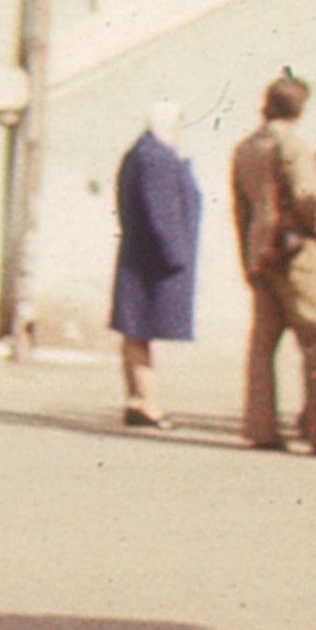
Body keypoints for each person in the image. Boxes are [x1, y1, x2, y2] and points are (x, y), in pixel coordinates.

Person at [230, 72, 316, 454]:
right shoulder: (293, 146)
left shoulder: (246, 147)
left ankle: (260, 425)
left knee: (263, 344)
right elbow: (308, 199)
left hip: (261, 253)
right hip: (298, 253)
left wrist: (247, 256)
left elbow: (241, 208)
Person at [109, 101, 200, 431]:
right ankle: (149, 405)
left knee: (134, 330)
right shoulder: (156, 157)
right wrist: (177, 257)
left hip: (140, 258)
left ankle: (136, 399)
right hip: (153, 263)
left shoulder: (142, 152)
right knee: (140, 331)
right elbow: (161, 211)